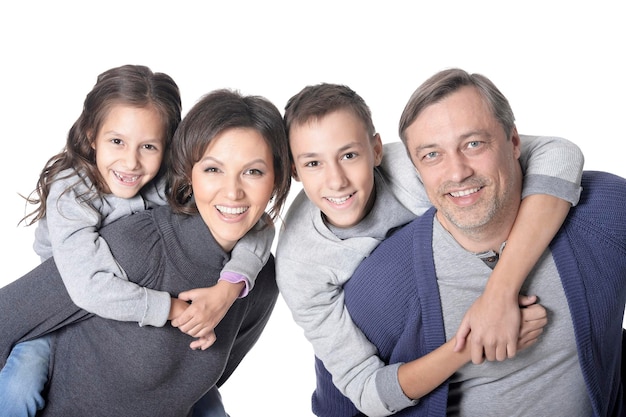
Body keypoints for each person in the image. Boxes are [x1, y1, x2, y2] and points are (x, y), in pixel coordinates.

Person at [311, 69, 625, 416]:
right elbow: (340, 409)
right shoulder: (383, 284)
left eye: (474, 144)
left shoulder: (602, 215)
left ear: (515, 142)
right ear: (415, 170)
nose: (458, 171)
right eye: (432, 155)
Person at [0, 88, 291, 416]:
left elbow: (198, 382)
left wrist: (228, 289)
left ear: (277, 177)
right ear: (188, 171)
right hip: (60, 320)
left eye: (253, 172)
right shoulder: (133, 243)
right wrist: (169, 308)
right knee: (18, 386)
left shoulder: (262, 278)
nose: (233, 191)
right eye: (213, 169)